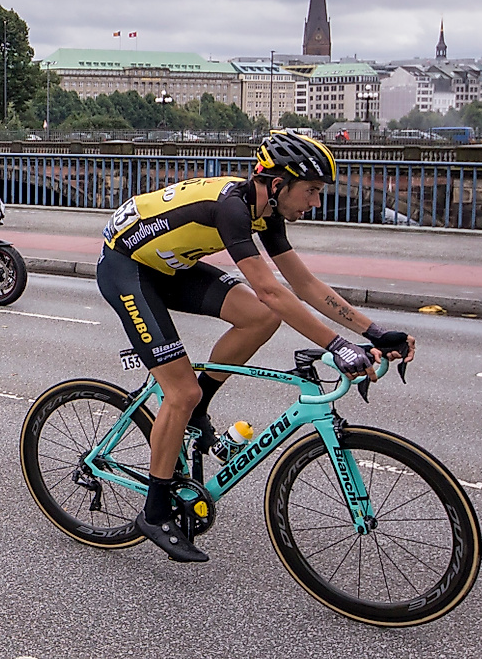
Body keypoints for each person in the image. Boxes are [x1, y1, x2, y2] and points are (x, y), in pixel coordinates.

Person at [97, 130, 415, 563]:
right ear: (279, 184)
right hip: (126, 268)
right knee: (181, 391)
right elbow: (272, 290)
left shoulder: (267, 211)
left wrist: (374, 332)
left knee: (259, 319)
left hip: (172, 267)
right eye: (312, 191)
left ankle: (198, 406)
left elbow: (302, 285)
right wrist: (339, 346)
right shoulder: (232, 208)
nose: (315, 203)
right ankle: (155, 512)